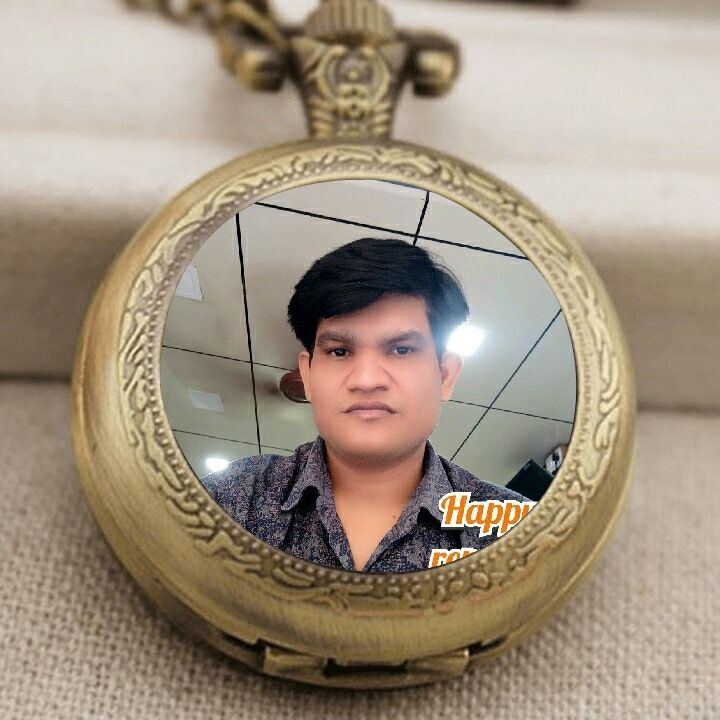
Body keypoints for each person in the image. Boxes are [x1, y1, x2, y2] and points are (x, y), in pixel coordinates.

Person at [200, 237, 529, 573]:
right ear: (307, 376)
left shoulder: (521, 535)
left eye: (401, 350)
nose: (367, 379)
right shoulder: (228, 500)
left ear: (445, 375)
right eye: (339, 351)